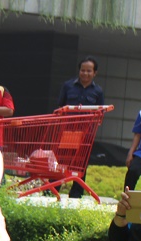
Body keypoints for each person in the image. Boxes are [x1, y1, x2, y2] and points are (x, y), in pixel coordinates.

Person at [57, 57, 104, 198]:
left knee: (80, 164)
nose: (85, 73)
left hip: (86, 134)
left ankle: (76, 194)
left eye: (89, 71)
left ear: (95, 73)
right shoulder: (68, 86)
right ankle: (52, 189)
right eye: (83, 70)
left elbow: (101, 112)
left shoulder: (98, 91)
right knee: (62, 162)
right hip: (69, 132)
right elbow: (60, 106)